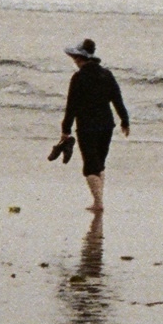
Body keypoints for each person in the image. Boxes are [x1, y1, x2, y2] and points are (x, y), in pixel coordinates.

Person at [60, 38, 129, 216]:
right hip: (107, 125)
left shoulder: (78, 77)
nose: (74, 61)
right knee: (99, 163)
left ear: (79, 58)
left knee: (90, 167)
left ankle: (98, 203)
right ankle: (98, 201)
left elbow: (71, 106)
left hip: (87, 126)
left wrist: (66, 129)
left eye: (75, 58)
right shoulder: (107, 74)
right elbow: (117, 99)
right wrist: (125, 120)